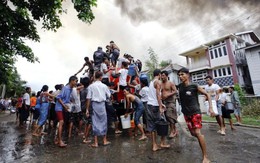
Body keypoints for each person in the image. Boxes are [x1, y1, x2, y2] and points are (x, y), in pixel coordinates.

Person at [177, 68, 214, 163]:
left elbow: (208, 94)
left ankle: (205, 157)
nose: (180, 77)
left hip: (195, 112)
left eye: (182, 74)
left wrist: (210, 108)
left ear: (188, 75)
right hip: (186, 113)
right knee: (193, 134)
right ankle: (201, 137)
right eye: (179, 75)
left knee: (197, 133)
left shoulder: (194, 86)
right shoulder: (180, 86)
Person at [86, 71, 111, 148]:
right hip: (102, 105)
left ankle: (96, 142)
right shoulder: (104, 86)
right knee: (103, 121)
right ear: (101, 77)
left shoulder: (91, 86)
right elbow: (109, 95)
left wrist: (87, 109)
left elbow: (88, 98)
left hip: (94, 105)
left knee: (95, 122)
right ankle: (104, 140)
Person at [146, 69, 169, 152]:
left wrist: (161, 103)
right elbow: (157, 94)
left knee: (152, 125)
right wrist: (160, 106)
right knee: (163, 123)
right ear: (159, 74)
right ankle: (162, 143)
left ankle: (154, 145)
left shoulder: (151, 82)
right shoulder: (158, 82)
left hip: (149, 105)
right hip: (155, 106)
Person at [55, 76, 78, 147]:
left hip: (63, 108)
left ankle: (58, 139)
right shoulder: (66, 88)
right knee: (61, 122)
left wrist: (70, 102)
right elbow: (58, 98)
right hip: (59, 107)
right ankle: (60, 141)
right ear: (71, 81)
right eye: (76, 81)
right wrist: (64, 106)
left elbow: (66, 98)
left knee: (62, 123)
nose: (76, 83)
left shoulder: (71, 89)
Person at [161, 70, 178, 138]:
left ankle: (172, 131)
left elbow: (175, 91)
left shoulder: (170, 83)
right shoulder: (161, 83)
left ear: (167, 76)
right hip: (163, 102)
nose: (162, 77)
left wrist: (168, 95)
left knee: (169, 116)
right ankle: (174, 130)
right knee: (167, 118)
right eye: (161, 76)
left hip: (171, 102)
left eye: (163, 75)